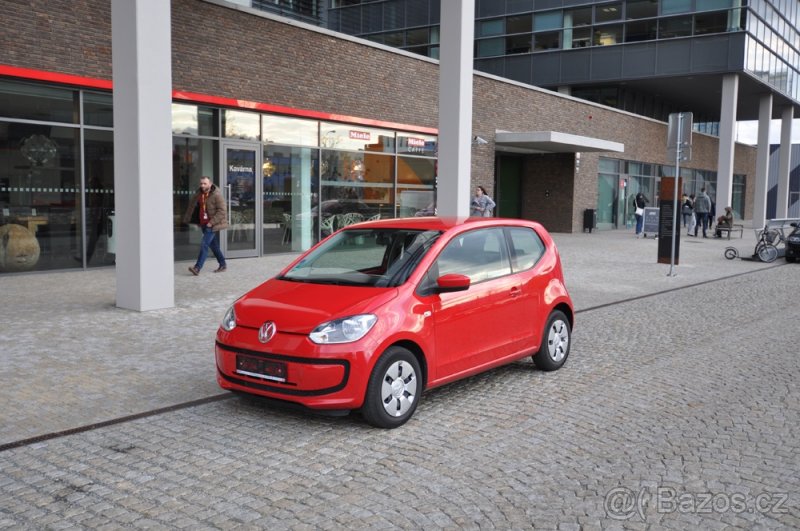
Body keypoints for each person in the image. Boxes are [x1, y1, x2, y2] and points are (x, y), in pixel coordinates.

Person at [183, 176, 229, 275]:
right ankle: (223, 264)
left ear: (210, 184)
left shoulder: (216, 194)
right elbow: (194, 208)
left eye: (205, 183)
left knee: (204, 244)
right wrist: (196, 221)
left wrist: (211, 222)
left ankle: (197, 268)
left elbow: (222, 211)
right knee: (214, 246)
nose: (202, 185)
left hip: (211, 224)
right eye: (201, 183)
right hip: (203, 224)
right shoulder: (199, 194)